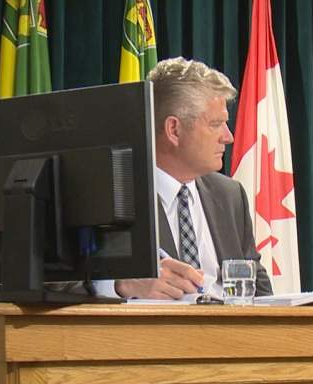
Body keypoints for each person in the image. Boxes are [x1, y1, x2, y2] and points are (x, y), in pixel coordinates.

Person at [98, 57, 272, 300]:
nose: (228, 137)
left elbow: (261, 294)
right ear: (174, 130)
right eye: (216, 124)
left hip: (232, 336)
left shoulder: (230, 195)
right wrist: (120, 285)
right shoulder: (111, 194)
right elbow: (54, 281)